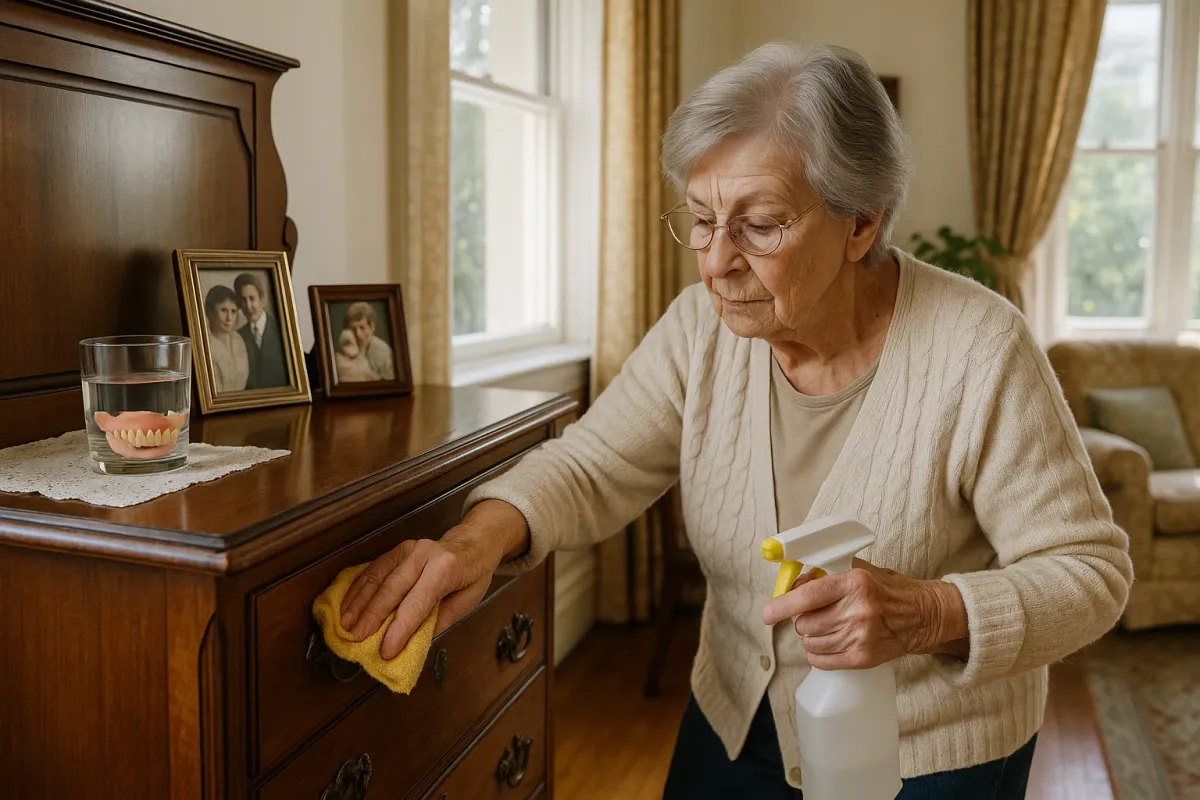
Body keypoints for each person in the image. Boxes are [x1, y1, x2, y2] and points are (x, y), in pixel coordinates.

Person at [336, 42, 1133, 799]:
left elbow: (1090, 573)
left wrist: (929, 613)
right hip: (736, 717)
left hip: (924, 752)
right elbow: (590, 466)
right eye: (702, 219)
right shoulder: (700, 328)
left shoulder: (979, 348)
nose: (717, 260)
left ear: (860, 222)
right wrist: (478, 540)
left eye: (760, 224)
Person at [235, 271, 289, 389]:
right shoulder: (238, 336)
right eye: (243, 300)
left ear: (262, 300)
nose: (248, 306)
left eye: (252, 299)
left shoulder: (283, 330)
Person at [203, 284, 249, 394]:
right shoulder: (205, 344)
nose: (229, 318)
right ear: (210, 312)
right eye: (223, 310)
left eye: (233, 311)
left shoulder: (238, 340)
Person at [344, 302, 395, 380]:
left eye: (362, 327)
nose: (358, 334)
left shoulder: (383, 351)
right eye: (353, 329)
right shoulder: (346, 346)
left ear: (371, 327)